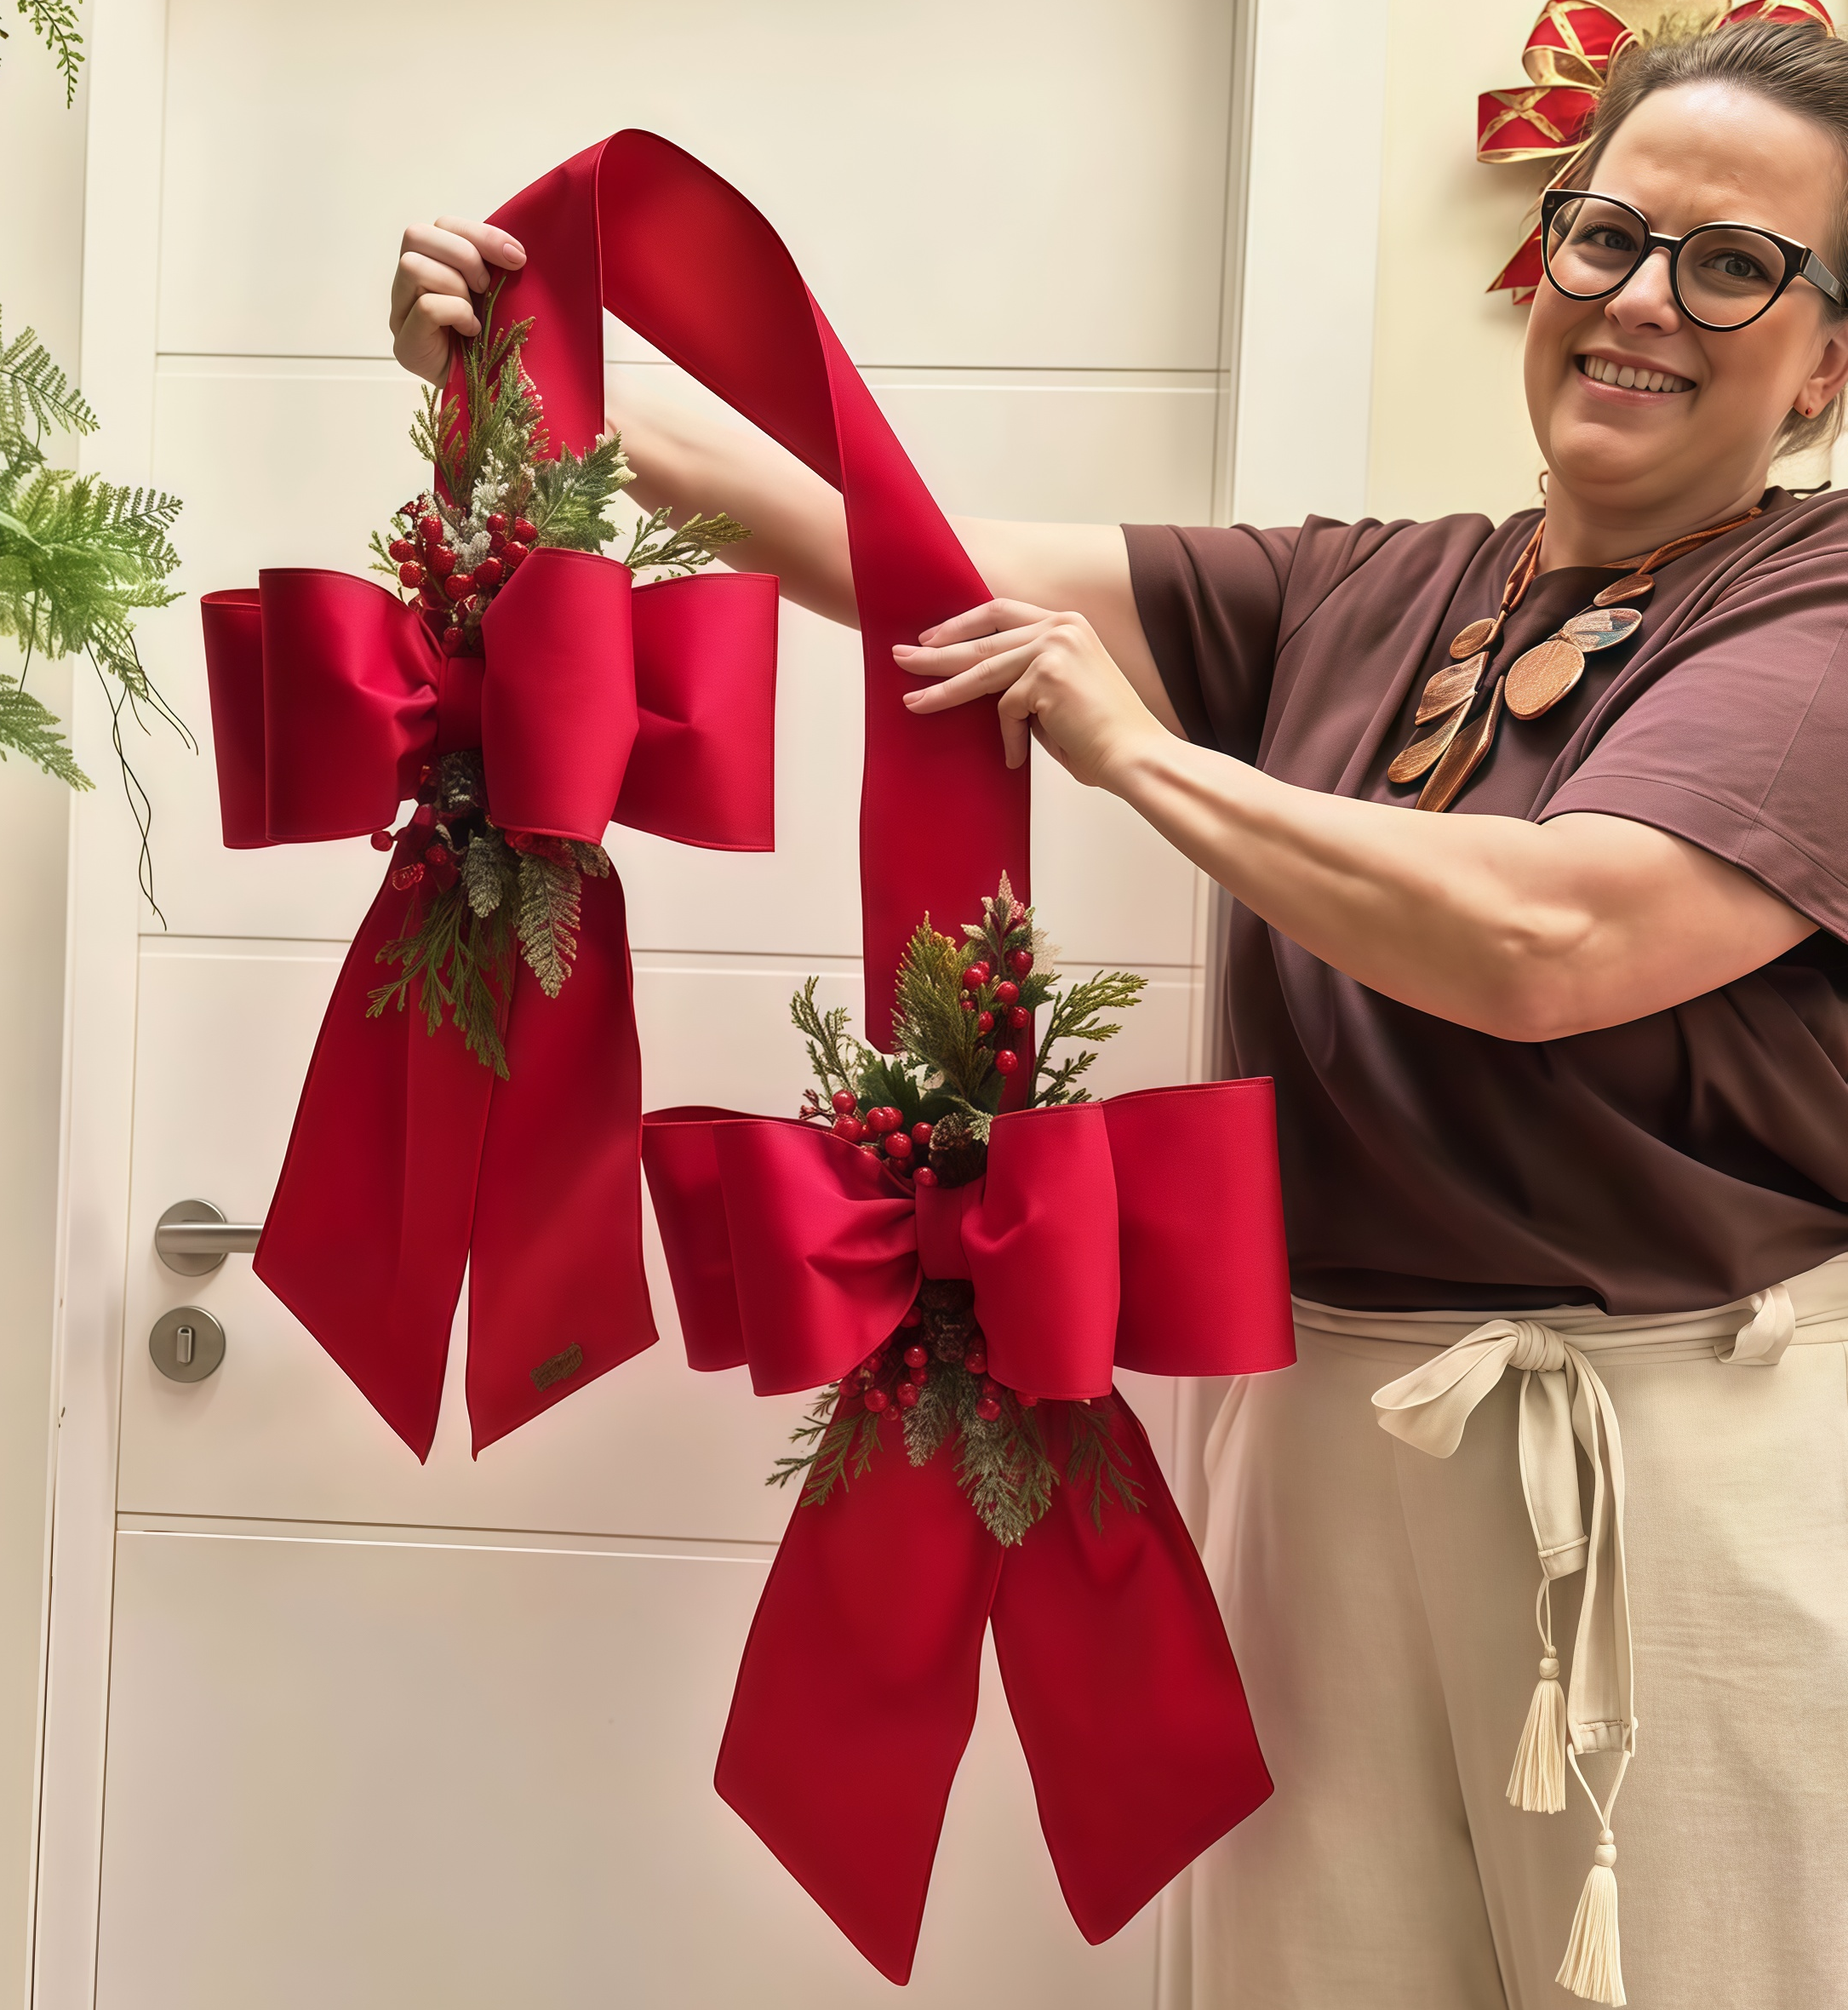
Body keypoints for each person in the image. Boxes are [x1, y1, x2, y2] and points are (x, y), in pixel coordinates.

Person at [390, 20, 1848, 2007]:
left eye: (1732, 263)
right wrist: (538, 372)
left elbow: (1549, 942)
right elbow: (888, 550)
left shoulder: (1819, 617)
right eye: (1603, 236)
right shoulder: (1376, 588)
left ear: (1826, 358)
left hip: (1664, 1455)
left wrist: (1140, 754)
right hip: (1321, 1419)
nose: (1640, 302)